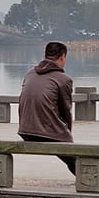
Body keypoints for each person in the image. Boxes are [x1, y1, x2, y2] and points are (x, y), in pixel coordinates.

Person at [17, 41, 76, 173]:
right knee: (75, 156)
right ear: (62, 57)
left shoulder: (30, 74)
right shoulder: (63, 79)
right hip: (46, 133)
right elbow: (66, 111)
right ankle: (89, 180)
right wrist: (67, 135)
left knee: (69, 153)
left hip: (25, 130)